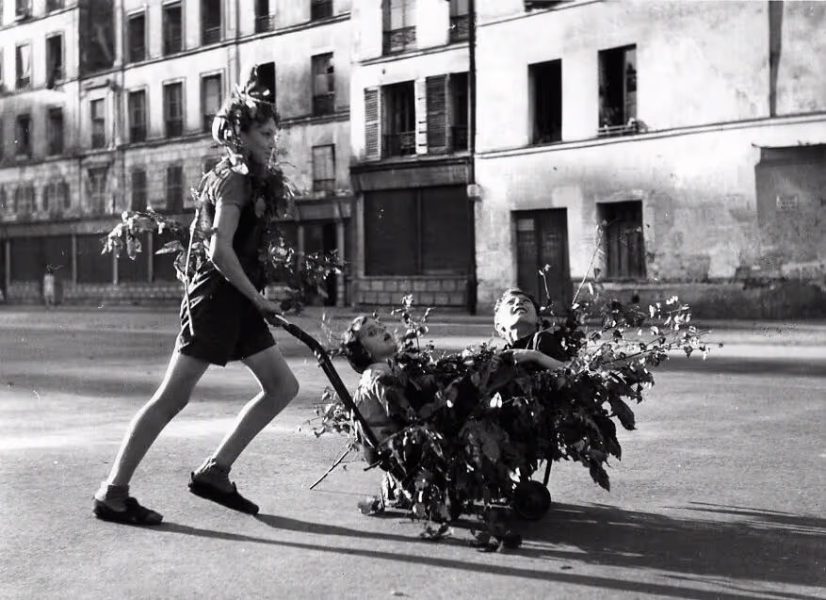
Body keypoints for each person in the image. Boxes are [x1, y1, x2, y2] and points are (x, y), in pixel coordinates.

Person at [92, 67, 298, 525]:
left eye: (275, 134)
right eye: (265, 134)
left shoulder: (247, 178)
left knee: (282, 387)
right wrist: (258, 299)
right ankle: (113, 492)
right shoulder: (235, 179)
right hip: (217, 301)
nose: (273, 142)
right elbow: (219, 249)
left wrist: (257, 294)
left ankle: (214, 472)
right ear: (240, 135)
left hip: (237, 300)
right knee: (172, 398)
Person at [340, 315, 412, 509]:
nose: (382, 331)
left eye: (381, 326)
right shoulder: (378, 375)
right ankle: (404, 483)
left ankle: (396, 483)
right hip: (389, 444)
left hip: (388, 439)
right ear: (365, 352)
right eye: (372, 333)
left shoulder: (387, 367)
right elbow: (400, 409)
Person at [493, 287, 570, 369]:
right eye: (510, 302)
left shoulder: (543, 339)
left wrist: (536, 356)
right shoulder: (497, 357)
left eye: (526, 301)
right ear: (498, 324)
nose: (519, 302)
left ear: (538, 319)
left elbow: (570, 371)